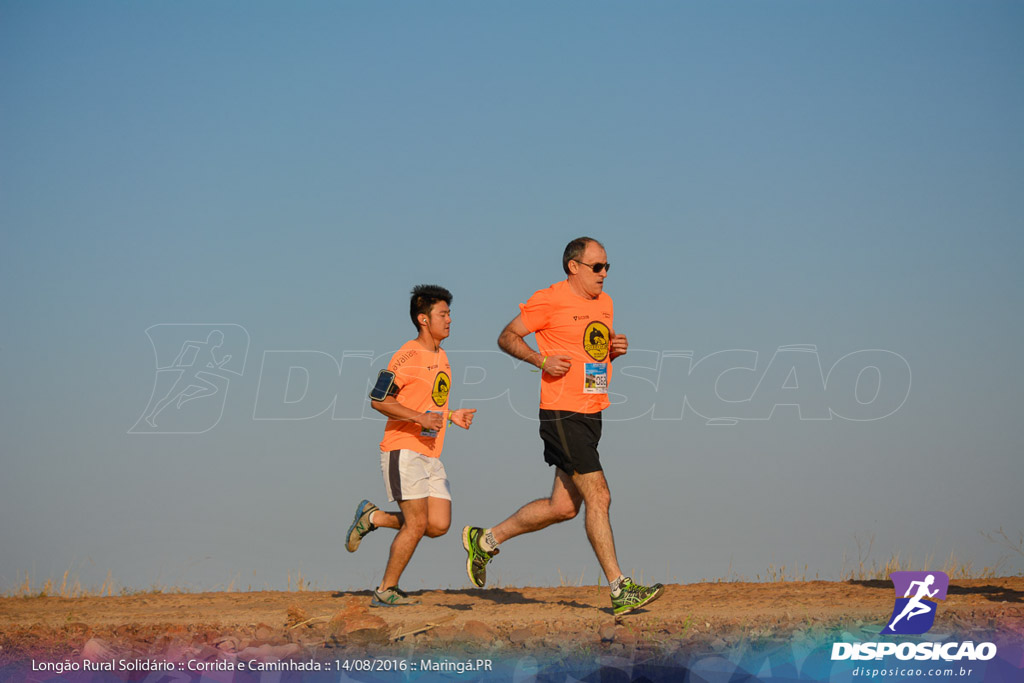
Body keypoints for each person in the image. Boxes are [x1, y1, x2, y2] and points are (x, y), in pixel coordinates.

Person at [461, 237, 664, 617]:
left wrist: (613, 351)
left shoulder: (606, 304)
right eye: (597, 267)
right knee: (599, 495)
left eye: (607, 267)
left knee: (563, 507)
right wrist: (540, 361)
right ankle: (620, 587)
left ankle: (484, 540)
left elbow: (591, 352)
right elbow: (506, 336)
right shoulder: (550, 299)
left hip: (592, 412)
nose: (604, 274)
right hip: (561, 412)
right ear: (574, 266)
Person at [345, 284, 476, 607]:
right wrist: (420, 418)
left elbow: (430, 405)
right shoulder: (407, 355)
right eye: (442, 314)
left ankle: (372, 518)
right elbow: (379, 400)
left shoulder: (442, 356)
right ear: (423, 319)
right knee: (417, 523)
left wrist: (450, 416)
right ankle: (386, 590)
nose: (449, 320)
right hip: (402, 449)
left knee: (438, 525)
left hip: (431, 452)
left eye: (449, 314)